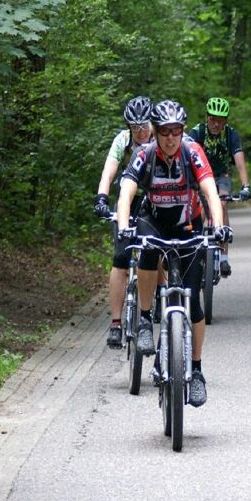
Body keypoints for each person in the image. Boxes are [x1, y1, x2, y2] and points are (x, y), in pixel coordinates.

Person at [115, 100, 231, 407]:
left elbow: (209, 189)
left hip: (188, 225)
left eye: (176, 131)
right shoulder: (145, 154)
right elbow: (126, 192)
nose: (170, 138)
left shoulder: (193, 152)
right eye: (165, 132)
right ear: (155, 132)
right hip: (153, 221)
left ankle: (196, 370)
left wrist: (218, 226)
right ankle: (142, 319)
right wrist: (124, 227)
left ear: (182, 131)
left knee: (193, 302)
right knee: (147, 252)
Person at [95, 96, 154, 348]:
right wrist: (101, 197)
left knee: (156, 254)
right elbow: (109, 170)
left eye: (144, 126)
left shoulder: (160, 137)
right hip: (127, 202)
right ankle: (116, 323)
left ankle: (151, 308)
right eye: (135, 127)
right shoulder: (123, 140)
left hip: (153, 201)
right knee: (120, 260)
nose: (140, 132)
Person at [187, 96, 251, 278]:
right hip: (199, 177)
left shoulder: (231, 135)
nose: (216, 124)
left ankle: (223, 255)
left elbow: (239, 162)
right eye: (213, 119)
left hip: (222, 176)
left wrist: (246, 185)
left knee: (221, 203)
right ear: (207, 117)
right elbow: (185, 157)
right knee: (201, 210)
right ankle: (197, 250)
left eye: (220, 120)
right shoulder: (196, 133)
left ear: (225, 121)